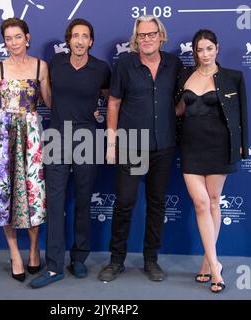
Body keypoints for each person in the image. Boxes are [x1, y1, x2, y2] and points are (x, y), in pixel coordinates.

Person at [98, 15, 182, 283]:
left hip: (163, 145)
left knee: (156, 204)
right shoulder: (125, 64)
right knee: (124, 203)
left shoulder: (174, 64)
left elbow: (184, 100)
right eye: (142, 35)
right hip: (131, 145)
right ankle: (116, 260)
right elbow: (112, 103)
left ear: (161, 35)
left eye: (151, 34)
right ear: (136, 39)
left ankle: (151, 260)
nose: (147, 39)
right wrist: (111, 142)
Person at [29, 18, 110, 289]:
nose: (79, 40)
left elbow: (110, 99)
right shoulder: (55, 64)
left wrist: (98, 113)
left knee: (84, 199)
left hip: (88, 137)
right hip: (56, 136)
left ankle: (79, 258)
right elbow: (47, 97)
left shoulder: (101, 68)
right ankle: (53, 266)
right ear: (68, 40)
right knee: (54, 201)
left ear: (91, 41)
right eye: (75, 36)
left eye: (84, 36)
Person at [0, 18, 51, 283]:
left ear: (27, 37)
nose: (13, 43)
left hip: (32, 137)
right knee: (5, 195)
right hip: (3, 137)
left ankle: (35, 250)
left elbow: (49, 101)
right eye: (8, 38)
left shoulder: (41, 66)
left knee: (33, 194)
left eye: (18, 37)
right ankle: (15, 253)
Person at [175, 29, 249, 293]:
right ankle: (216, 265)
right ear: (195, 51)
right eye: (200, 49)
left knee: (214, 202)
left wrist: (243, 147)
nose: (204, 54)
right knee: (201, 202)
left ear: (217, 48)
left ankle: (208, 263)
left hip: (219, 146)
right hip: (191, 147)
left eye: (209, 48)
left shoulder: (232, 78)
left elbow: (242, 116)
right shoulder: (185, 76)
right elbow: (178, 109)